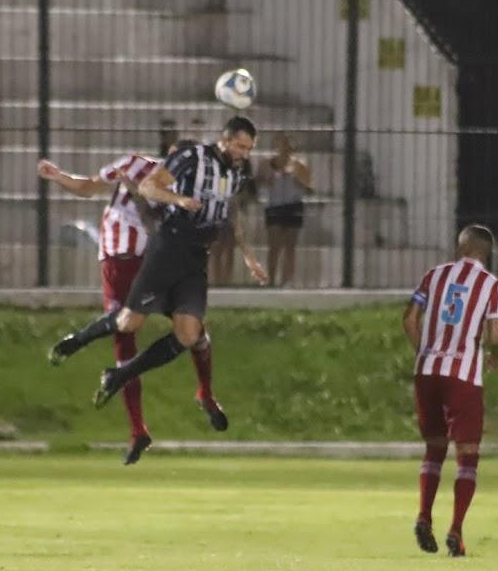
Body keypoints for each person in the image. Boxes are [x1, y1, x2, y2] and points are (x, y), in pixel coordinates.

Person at [49, 116, 268, 416]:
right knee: (129, 322)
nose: (245, 153)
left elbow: (231, 213)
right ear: (226, 140)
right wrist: (178, 200)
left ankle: (118, 376)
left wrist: (249, 255)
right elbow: (149, 187)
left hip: (196, 257)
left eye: (250, 148)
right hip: (168, 248)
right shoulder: (193, 157)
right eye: (242, 146)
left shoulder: (237, 173)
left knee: (189, 334)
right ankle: (79, 339)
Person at [37, 146, 222, 465]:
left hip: (153, 262)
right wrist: (58, 176)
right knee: (124, 336)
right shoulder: (135, 163)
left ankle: (204, 392)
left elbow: (158, 223)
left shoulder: (184, 191)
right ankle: (138, 431)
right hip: (116, 260)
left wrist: (138, 191)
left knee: (189, 327)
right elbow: (90, 186)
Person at [403, 224, 498, 557]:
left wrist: (425, 351)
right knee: (468, 455)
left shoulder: (434, 276)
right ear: (486, 253)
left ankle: (423, 516)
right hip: (463, 374)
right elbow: (494, 331)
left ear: (460, 248)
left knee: (434, 448)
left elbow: (409, 319)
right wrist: (492, 355)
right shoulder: (491, 285)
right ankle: (456, 531)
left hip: (428, 371)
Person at [257, 133, 312, 287]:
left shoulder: (300, 164)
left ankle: (287, 282)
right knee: (273, 246)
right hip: (274, 205)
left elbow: (309, 188)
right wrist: (267, 179)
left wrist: (298, 179)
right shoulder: (266, 164)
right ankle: (271, 280)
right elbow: (257, 182)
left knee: (290, 247)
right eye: (282, 144)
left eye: (288, 144)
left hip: (293, 205)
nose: (285, 147)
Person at [209, 156, 256, 285]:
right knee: (217, 250)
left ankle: (225, 280)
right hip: (221, 216)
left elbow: (248, 197)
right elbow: (223, 195)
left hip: (235, 217)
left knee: (229, 251)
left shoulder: (244, 179)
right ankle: (217, 280)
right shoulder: (224, 176)